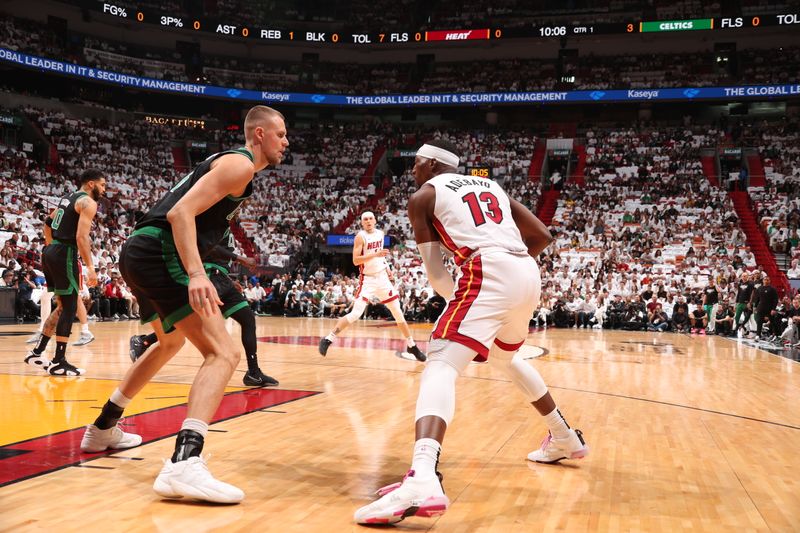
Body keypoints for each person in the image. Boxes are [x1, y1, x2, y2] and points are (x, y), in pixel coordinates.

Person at [354, 140, 588, 525]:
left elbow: (435, 273)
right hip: (526, 273)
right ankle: (564, 436)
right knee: (505, 358)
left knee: (441, 362)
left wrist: (465, 297)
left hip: (487, 271)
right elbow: (543, 236)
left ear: (431, 164)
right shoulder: (491, 185)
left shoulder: (423, 196)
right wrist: (507, 276)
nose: (412, 169)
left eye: (415, 163)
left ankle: (422, 478)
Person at [79, 105, 289, 503]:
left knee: (170, 343)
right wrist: (196, 273)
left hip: (138, 250)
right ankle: (183, 463)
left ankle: (103, 427)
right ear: (259, 134)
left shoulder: (227, 164)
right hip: (160, 251)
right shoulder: (240, 165)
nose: (286, 141)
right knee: (223, 353)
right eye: (280, 134)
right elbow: (180, 213)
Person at [129, 232, 278, 387]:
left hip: (221, 277)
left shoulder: (225, 222)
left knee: (247, 319)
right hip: (208, 275)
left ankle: (253, 373)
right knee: (192, 320)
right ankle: (144, 341)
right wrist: (239, 258)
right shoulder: (212, 218)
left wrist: (229, 280)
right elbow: (208, 248)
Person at [24, 169, 104, 376]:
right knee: (69, 308)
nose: (104, 190)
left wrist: (52, 246)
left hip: (51, 251)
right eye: (102, 185)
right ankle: (59, 361)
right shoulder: (88, 202)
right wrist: (90, 268)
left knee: (61, 306)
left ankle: (37, 352)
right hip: (65, 252)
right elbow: (81, 238)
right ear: (91, 184)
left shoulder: (67, 198)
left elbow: (48, 223)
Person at [319, 211, 426, 362]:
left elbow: (381, 256)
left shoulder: (380, 234)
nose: (368, 221)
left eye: (370, 218)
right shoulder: (360, 237)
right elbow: (356, 261)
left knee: (398, 313)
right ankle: (328, 339)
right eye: (365, 219)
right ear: (362, 222)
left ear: (375, 220)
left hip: (382, 278)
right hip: (368, 280)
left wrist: (387, 266)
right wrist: (376, 255)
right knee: (356, 314)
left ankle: (411, 345)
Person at [753, 275, 778, 339]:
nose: (766, 281)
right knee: (759, 321)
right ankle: (758, 335)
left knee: (772, 321)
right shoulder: (759, 288)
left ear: (769, 281)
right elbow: (757, 299)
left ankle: (775, 334)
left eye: (767, 280)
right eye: (765, 280)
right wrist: (755, 307)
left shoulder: (772, 289)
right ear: (763, 281)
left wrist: (773, 309)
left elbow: (775, 300)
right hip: (761, 307)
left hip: (770, 307)